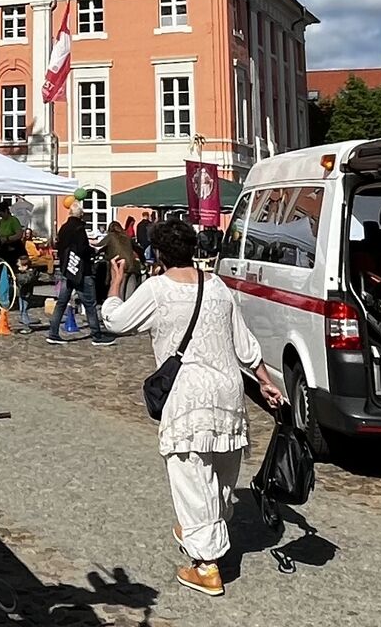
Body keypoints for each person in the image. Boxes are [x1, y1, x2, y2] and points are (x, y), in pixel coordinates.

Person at [100, 220, 282, 598]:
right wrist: (265, 381)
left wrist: (116, 281)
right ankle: (204, 531)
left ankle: (206, 565)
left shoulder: (158, 289)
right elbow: (244, 343)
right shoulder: (217, 286)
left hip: (188, 396)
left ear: (160, 254)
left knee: (190, 475)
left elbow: (115, 320)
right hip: (228, 391)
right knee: (221, 473)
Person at [47, 208, 104, 344]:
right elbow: (82, 249)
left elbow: (60, 247)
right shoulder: (79, 229)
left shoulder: (64, 228)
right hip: (82, 271)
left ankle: (53, 333)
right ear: (81, 215)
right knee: (90, 304)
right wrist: (93, 251)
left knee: (61, 303)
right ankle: (97, 335)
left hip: (66, 270)